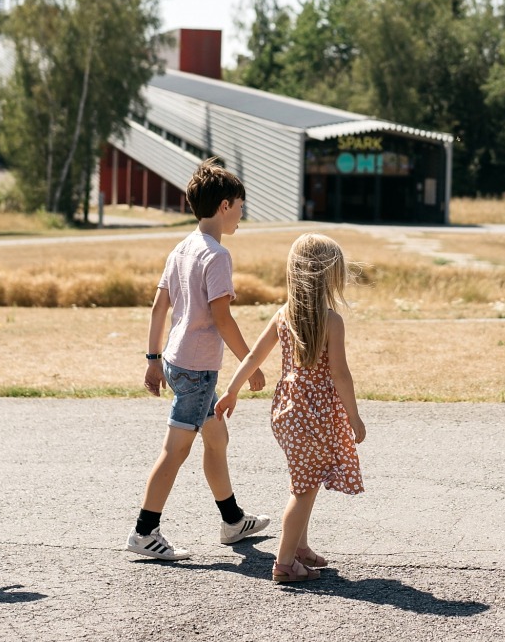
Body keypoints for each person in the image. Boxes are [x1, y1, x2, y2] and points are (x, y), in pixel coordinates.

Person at [127, 159, 270, 561]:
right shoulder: (217, 256)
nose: (242, 214)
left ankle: (232, 520)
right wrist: (250, 365)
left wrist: (154, 358)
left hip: (176, 359)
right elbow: (222, 317)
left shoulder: (182, 247)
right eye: (240, 206)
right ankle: (144, 531)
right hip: (197, 368)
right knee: (175, 451)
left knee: (216, 438)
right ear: (224, 206)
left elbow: (159, 307)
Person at [218, 233, 365, 584]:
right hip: (313, 416)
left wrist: (231, 390)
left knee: (305, 479)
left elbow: (254, 355)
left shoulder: (283, 315)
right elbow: (340, 374)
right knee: (303, 489)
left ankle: (300, 547)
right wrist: (355, 416)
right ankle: (285, 563)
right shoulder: (331, 321)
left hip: (286, 411)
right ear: (328, 276)